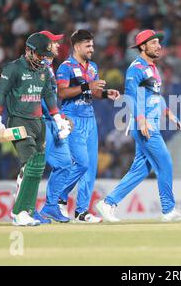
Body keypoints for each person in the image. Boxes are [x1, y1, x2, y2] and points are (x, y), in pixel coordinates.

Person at [96, 29, 181, 222]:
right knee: (165, 163)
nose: (159, 46)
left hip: (150, 122)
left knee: (141, 170)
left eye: (158, 42)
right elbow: (130, 96)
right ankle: (168, 210)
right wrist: (141, 120)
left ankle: (108, 203)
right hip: (145, 125)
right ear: (142, 46)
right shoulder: (135, 68)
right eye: (153, 43)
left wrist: (169, 114)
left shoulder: (153, 68)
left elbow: (156, 96)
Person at [0, 32, 71, 226]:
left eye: (44, 55)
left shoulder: (43, 70)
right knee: (31, 164)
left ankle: (28, 210)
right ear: (28, 51)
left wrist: (58, 119)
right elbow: (1, 93)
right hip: (19, 122)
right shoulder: (13, 68)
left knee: (36, 167)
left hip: (38, 123)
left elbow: (49, 95)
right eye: (39, 55)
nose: (42, 59)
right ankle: (19, 213)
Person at [55, 29, 120, 223]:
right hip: (72, 119)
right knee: (82, 163)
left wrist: (106, 93)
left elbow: (94, 93)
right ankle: (57, 198)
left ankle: (81, 212)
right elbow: (62, 93)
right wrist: (86, 87)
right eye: (88, 45)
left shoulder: (92, 67)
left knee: (90, 167)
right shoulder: (65, 67)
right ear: (76, 46)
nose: (92, 48)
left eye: (92, 45)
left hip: (90, 118)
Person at [37, 30, 72, 223]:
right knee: (35, 166)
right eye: (54, 42)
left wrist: (60, 116)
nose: (58, 45)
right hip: (42, 122)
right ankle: (26, 209)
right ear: (45, 46)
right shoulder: (38, 68)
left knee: (65, 163)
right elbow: (38, 98)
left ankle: (51, 206)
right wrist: (56, 116)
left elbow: (49, 98)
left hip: (52, 122)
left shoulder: (49, 67)